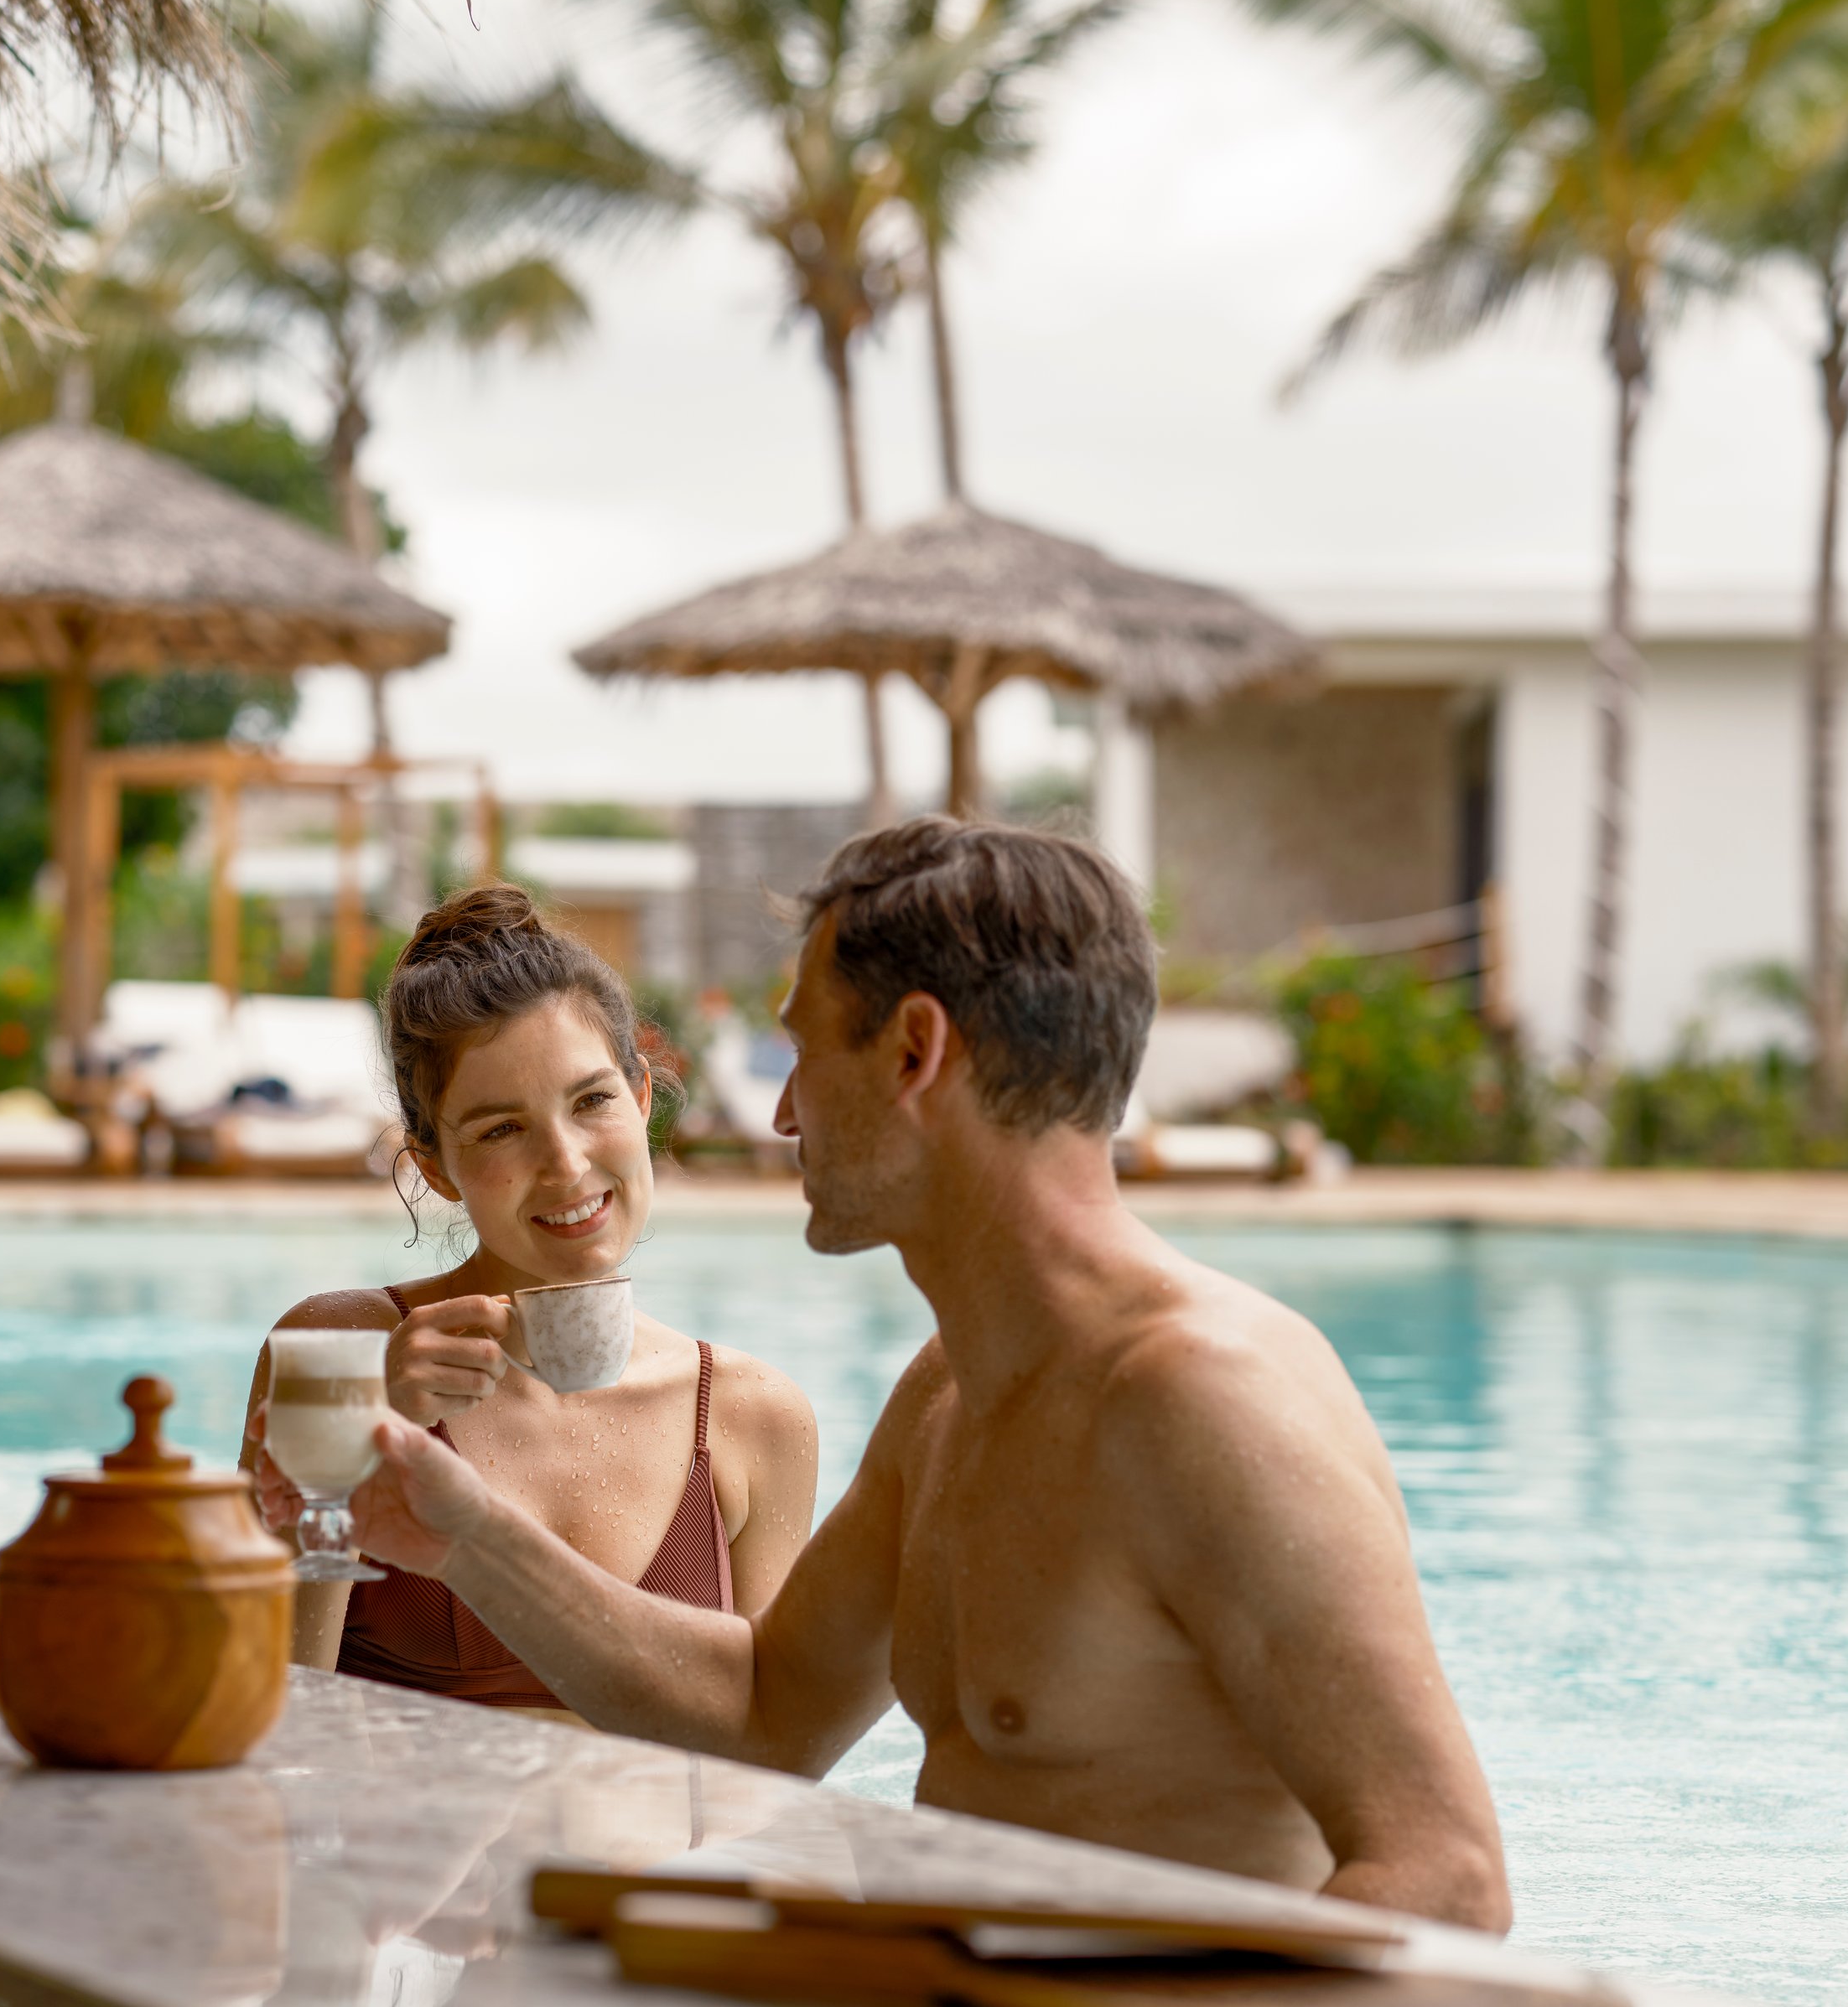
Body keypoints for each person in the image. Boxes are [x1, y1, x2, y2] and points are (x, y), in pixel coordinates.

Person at [351, 820, 1511, 1927]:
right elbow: (766, 1717)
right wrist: (464, 1537)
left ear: (914, 1054)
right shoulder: (950, 1393)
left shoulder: (1201, 1399)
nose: (786, 1112)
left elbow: (1447, 1880)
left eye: (806, 1051)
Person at [241, 887, 819, 1720]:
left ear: (643, 1096)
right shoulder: (339, 1349)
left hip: (655, 1854)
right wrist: (350, 1445)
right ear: (435, 1165)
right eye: (500, 1129)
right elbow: (265, 1712)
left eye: (592, 1101)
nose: (566, 1163)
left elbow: (774, 1754)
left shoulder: (753, 1418)